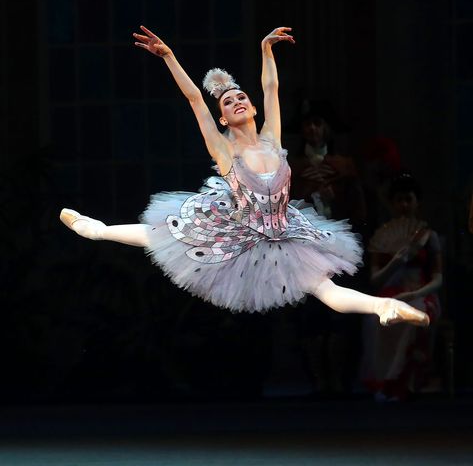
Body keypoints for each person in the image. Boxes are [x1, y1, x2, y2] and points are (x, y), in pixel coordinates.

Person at [59, 25, 428, 326]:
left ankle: (382, 308)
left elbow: (272, 88)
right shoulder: (224, 150)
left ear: (251, 107)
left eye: (240, 98)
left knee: (326, 290)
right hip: (240, 228)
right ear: (223, 118)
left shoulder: (272, 139)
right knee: (168, 233)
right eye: (228, 102)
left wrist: (266, 50)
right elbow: (193, 100)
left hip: (284, 231)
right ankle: (97, 230)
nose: (236, 101)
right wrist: (169, 57)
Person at [360, 173, 442, 400]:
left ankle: (404, 383)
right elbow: (375, 280)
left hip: (422, 293)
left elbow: (438, 278)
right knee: (374, 321)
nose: (404, 205)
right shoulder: (382, 237)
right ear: (392, 203)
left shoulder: (428, 236)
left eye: (409, 199)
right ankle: (383, 382)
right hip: (391, 292)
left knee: (411, 318)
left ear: (417, 202)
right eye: (399, 200)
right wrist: (395, 262)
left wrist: (416, 292)